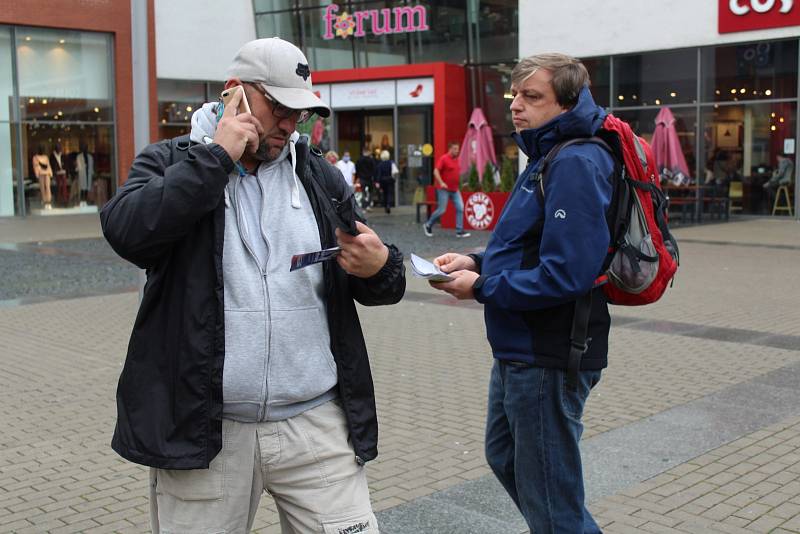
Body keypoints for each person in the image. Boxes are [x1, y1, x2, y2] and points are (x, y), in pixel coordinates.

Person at [101, 37, 405, 534]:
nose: (290, 124)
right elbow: (128, 233)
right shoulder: (172, 161)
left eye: (300, 113)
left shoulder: (318, 178)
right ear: (234, 94)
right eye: (279, 107)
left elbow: (374, 274)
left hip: (316, 427)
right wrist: (218, 156)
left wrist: (381, 268)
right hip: (206, 432)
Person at [429, 53, 614, 533]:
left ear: (567, 101)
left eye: (532, 97)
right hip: (521, 347)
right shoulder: (547, 155)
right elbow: (529, 245)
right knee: (508, 457)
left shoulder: (575, 160)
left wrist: (482, 287)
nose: (516, 106)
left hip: (548, 352)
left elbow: (566, 274)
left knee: (551, 497)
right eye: (515, 95)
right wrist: (477, 261)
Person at [423, 142, 471, 238]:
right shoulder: (444, 158)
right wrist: (441, 182)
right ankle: (428, 224)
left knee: (460, 208)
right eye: (455, 149)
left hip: (455, 189)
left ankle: (459, 230)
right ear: (450, 149)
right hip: (444, 189)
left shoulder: (456, 160)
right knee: (441, 210)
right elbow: (435, 171)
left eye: (458, 149)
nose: (457, 151)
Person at [375, 149, 398, 214]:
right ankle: (388, 205)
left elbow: (379, 174)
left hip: (383, 180)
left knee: (385, 193)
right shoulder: (391, 163)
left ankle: (385, 206)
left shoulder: (380, 164)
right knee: (389, 193)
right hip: (390, 180)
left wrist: (377, 182)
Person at [32, 144, 53, 210]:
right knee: (43, 188)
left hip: (46, 173)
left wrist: (50, 173)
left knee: (47, 187)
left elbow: (48, 165)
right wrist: (37, 174)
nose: (42, 150)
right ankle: (45, 202)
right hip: (41, 174)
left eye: (42, 149)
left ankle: (48, 202)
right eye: (40, 149)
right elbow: (36, 166)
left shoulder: (45, 157)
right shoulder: (35, 157)